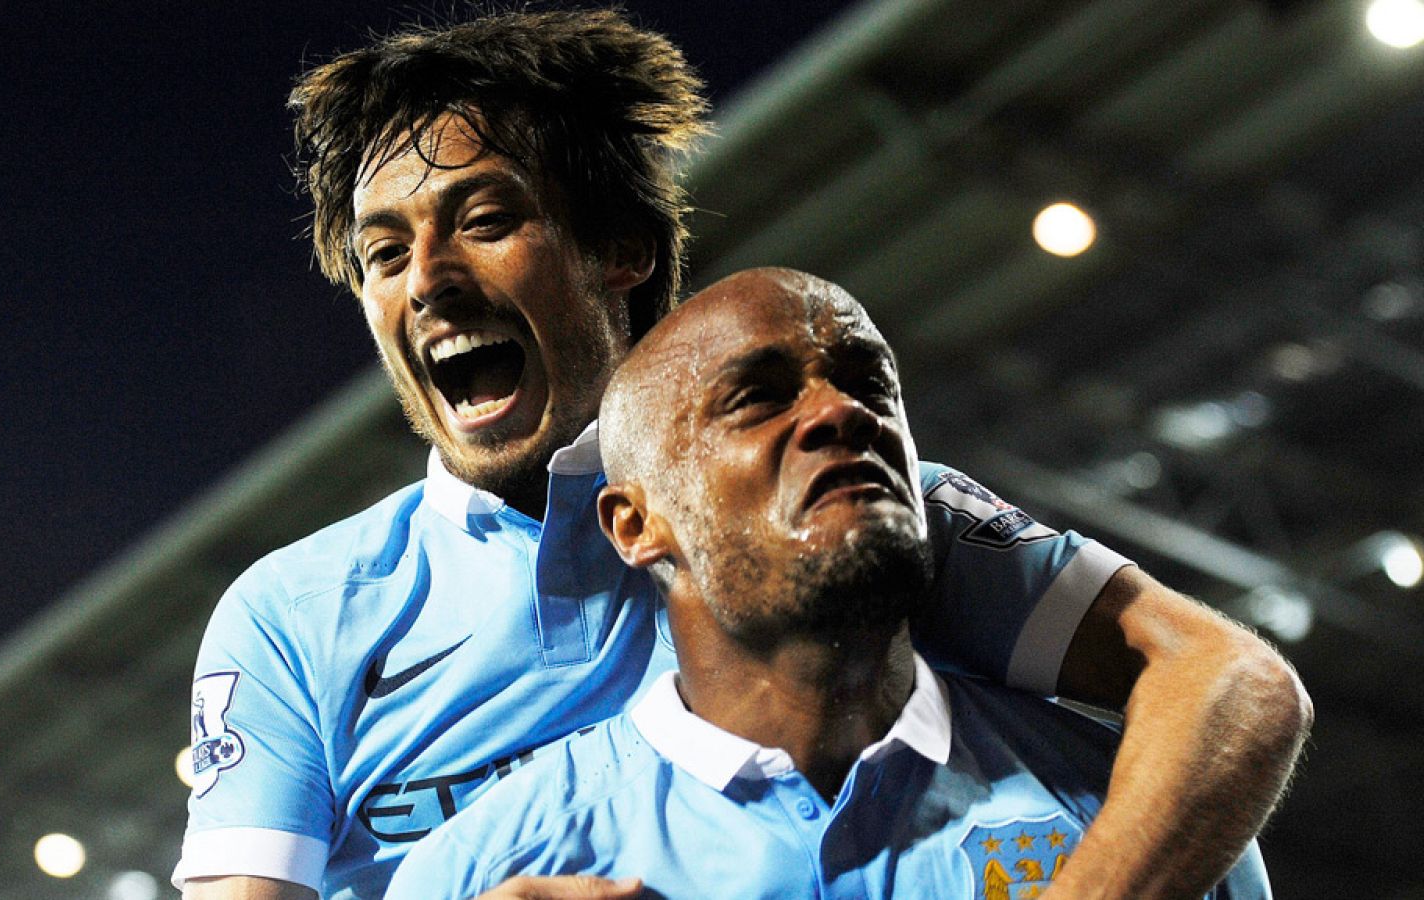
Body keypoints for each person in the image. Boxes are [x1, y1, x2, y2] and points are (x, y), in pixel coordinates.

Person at [175, 10, 1310, 900]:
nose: (425, 279)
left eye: (482, 220)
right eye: (383, 252)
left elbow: (1226, 679)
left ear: (619, 250)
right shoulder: (297, 615)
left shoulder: (835, 509)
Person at [382, 267, 1276, 899]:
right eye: (758, 399)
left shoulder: (1143, 810)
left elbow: (1237, 677)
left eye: (867, 384)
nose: (840, 411)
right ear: (635, 525)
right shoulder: (489, 871)